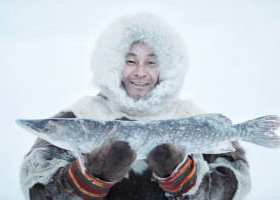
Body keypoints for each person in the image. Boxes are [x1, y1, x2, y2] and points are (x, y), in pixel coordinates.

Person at [20, 13, 251, 200]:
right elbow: (36, 187)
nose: (140, 72)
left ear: (166, 68)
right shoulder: (79, 115)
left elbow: (237, 185)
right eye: (130, 61)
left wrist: (182, 176)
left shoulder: (191, 115)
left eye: (151, 62)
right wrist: (90, 175)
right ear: (113, 64)